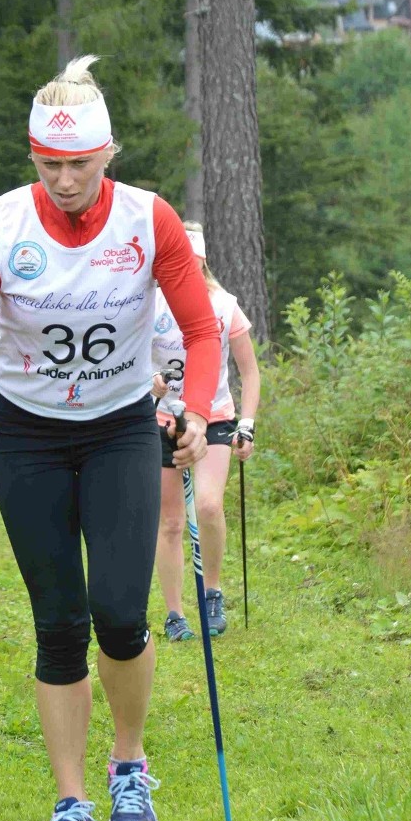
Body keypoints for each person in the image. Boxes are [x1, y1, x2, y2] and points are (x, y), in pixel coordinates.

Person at [0, 56, 221, 821]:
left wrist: (195, 410)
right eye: (48, 164)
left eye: (79, 164)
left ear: (109, 154)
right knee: (59, 621)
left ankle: (128, 763)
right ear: (33, 158)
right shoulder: (1, 222)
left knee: (121, 612)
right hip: (26, 433)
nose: (64, 180)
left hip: (120, 429)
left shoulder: (148, 219)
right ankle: (71, 799)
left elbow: (201, 332)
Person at [151, 222, 260, 641]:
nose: (186, 270)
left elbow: (249, 372)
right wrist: (152, 383)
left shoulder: (224, 304)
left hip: (214, 416)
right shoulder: (151, 304)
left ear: (203, 262)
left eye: (193, 263)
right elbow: (133, 361)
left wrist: (246, 425)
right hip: (165, 419)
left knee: (210, 506)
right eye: (178, 263)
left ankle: (212, 591)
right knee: (171, 522)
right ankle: (175, 613)